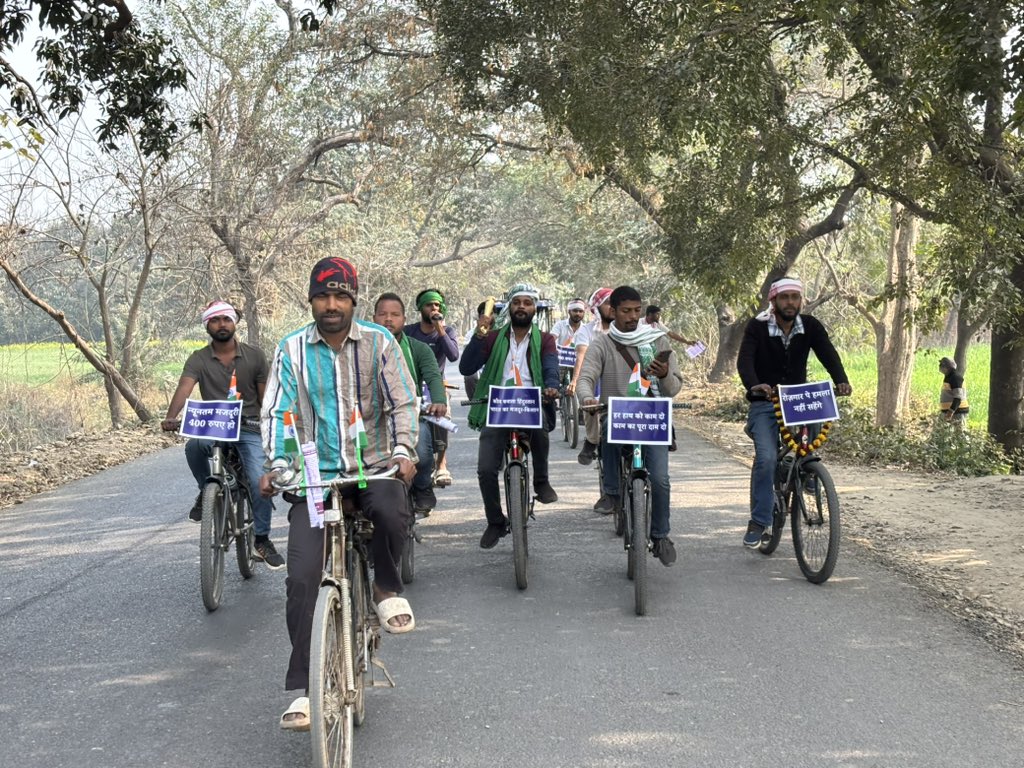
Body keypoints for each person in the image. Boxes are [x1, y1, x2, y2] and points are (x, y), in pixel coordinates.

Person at [258, 257, 418, 731]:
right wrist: (277, 465)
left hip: (373, 467)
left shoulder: (379, 342)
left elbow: (403, 403)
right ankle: (307, 690)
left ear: (353, 300)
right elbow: (276, 413)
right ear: (311, 300)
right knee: (303, 575)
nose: (331, 305)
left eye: (340, 296)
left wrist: (406, 450)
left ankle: (386, 586)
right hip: (314, 477)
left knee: (391, 514)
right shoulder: (291, 349)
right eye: (323, 296)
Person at [161, 300, 284, 570]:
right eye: (215, 320)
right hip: (213, 426)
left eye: (226, 319)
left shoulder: (254, 356)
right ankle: (207, 489)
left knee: (257, 479)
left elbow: (266, 399)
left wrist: (272, 427)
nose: (222, 325)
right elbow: (184, 388)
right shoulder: (198, 359)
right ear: (208, 325)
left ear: (234, 322)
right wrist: (171, 416)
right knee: (194, 448)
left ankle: (261, 539)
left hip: (248, 425)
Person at [736, 276, 852, 548]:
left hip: (798, 401)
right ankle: (759, 521)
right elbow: (745, 360)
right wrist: (754, 385)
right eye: (785, 297)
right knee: (765, 459)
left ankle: (805, 470)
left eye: (795, 297)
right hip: (765, 401)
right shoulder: (758, 326)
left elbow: (828, 353)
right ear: (773, 301)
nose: (790, 302)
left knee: (807, 446)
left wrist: (841, 380)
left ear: (801, 301)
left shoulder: (810, 326)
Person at [576, 285, 683, 566]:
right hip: (618, 415)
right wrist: (586, 396)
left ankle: (660, 535)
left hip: (652, 419)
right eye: (626, 311)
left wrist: (664, 375)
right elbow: (586, 377)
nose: (632, 316)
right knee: (608, 434)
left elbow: (673, 389)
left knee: (660, 479)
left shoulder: (658, 341)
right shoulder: (602, 342)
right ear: (613, 311)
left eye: (637, 311)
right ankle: (611, 493)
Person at [459, 283, 560, 549]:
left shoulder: (546, 339)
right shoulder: (493, 338)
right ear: (510, 307)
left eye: (527, 303)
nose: (522, 307)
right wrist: (479, 336)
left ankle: (541, 481)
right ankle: (495, 521)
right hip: (499, 406)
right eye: (517, 303)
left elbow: (550, 366)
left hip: (530, 402)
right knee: (485, 469)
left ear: (535, 308)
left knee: (540, 432)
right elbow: (466, 366)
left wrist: (551, 386)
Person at [373, 292, 447, 512]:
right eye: (383, 314)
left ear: (404, 319)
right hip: (370, 417)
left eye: (395, 315)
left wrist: (439, 401)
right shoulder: (363, 348)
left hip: (409, 413)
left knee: (422, 452)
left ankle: (423, 486)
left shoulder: (419, 348)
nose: (388, 319)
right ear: (373, 318)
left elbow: (434, 376)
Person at [405, 288, 459, 487]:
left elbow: (453, 356)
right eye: (429, 305)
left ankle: (441, 464)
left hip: (437, 387)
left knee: (443, 419)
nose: (434, 308)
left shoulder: (447, 331)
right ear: (421, 308)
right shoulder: (409, 331)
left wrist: (440, 330)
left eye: (437, 305)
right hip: (412, 386)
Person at [571, 287, 614, 466]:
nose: (612, 307)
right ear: (597, 307)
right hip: (595, 376)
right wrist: (575, 380)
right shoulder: (586, 332)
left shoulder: (629, 330)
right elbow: (581, 356)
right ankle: (592, 440)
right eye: (608, 303)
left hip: (622, 378)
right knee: (590, 400)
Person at [462, 301, 488, 400]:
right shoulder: (471, 334)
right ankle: (474, 402)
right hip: (479, 369)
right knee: (470, 377)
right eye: (484, 315)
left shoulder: (505, 332)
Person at [938, 356, 969, 428]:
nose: (940, 367)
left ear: (947, 367)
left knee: (960, 433)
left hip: (957, 411)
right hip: (947, 411)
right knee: (941, 432)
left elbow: (958, 397)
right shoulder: (949, 377)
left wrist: (951, 411)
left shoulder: (955, 378)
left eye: (942, 365)